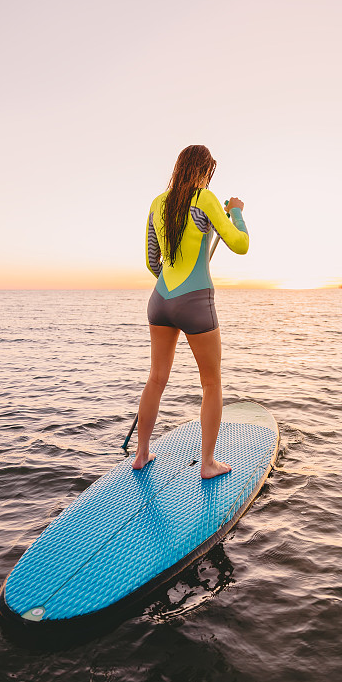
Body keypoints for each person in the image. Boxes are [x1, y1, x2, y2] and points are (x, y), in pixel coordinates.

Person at [133, 144, 249, 478]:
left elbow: (151, 262)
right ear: (205, 170)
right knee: (211, 383)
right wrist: (237, 212)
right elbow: (240, 244)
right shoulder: (206, 199)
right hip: (196, 301)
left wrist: (171, 291)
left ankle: (141, 454)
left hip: (160, 300)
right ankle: (208, 464)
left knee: (156, 378)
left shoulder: (158, 203)